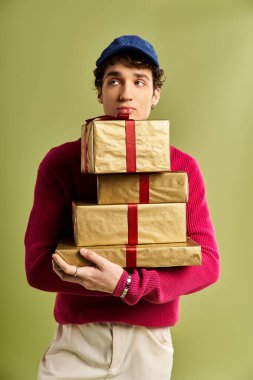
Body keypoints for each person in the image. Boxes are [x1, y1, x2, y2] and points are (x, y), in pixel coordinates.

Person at [25, 35, 220, 380]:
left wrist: (128, 285)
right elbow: (38, 266)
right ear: (100, 91)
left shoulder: (182, 167)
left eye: (139, 81)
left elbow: (207, 262)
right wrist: (103, 281)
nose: (126, 93)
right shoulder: (60, 163)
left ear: (155, 94)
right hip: (77, 338)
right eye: (114, 80)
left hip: (148, 345)